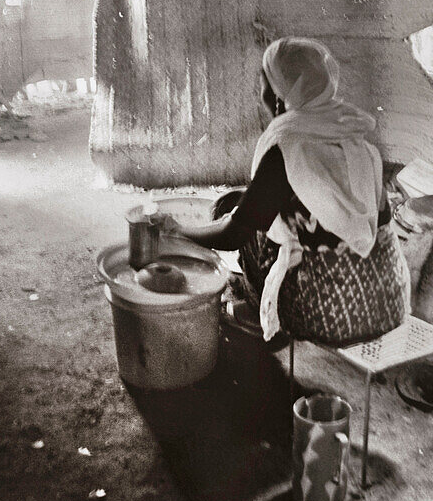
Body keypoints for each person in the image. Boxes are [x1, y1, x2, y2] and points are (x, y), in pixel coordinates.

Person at [163, 37, 410, 345]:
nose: (262, 96)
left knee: (233, 216)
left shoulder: (288, 146)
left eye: (266, 86)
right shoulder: (351, 131)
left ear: (281, 95)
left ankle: (261, 310)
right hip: (390, 302)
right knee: (246, 206)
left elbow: (232, 236)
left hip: (331, 317)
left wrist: (177, 231)